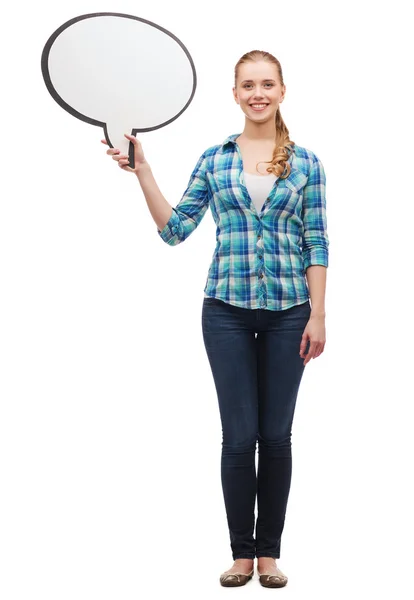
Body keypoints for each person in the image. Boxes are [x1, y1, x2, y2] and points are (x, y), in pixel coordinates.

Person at [102, 49, 329, 588]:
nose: (258, 93)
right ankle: (241, 556)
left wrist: (318, 314)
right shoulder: (214, 158)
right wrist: (144, 172)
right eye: (248, 84)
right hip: (224, 311)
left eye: (267, 84)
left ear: (281, 91)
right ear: (234, 94)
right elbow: (175, 229)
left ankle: (269, 555)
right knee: (237, 436)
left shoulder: (307, 163)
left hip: (289, 312)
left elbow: (316, 240)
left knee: (275, 436)